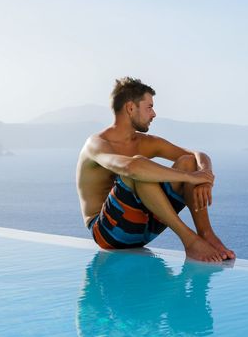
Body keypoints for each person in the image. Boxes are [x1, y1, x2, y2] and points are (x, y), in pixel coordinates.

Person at [76, 77, 235, 262]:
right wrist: (191, 178)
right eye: (149, 107)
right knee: (139, 170)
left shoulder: (146, 142)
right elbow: (131, 167)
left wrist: (203, 177)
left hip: (145, 228)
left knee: (187, 162)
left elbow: (197, 155)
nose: (154, 114)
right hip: (109, 233)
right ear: (130, 108)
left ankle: (206, 234)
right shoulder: (97, 144)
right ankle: (190, 242)